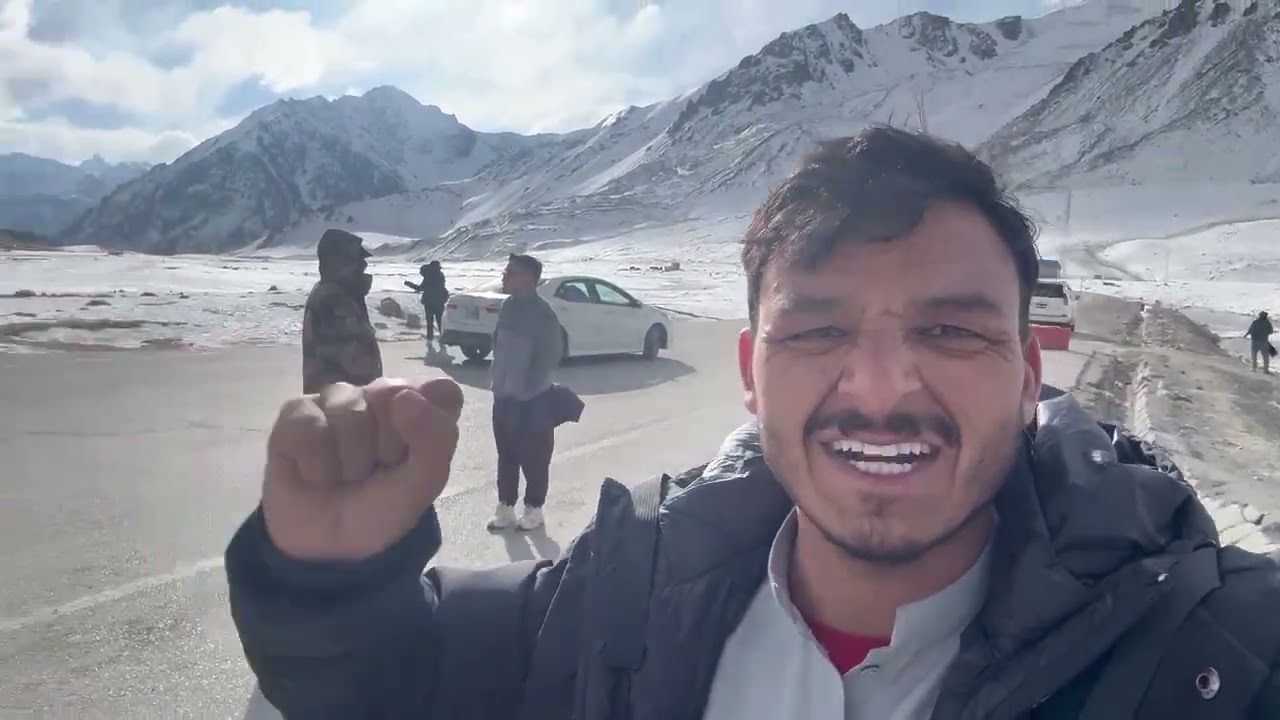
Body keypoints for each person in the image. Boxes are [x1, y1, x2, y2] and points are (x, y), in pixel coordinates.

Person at [226, 127, 1280, 719]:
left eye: (952, 333)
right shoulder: (611, 608)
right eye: (814, 331)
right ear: (748, 371)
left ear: (1024, 378)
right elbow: (376, 682)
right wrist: (327, 580)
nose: (878, 386)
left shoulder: (1209, 657)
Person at [483, 253, 564, 531]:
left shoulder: (543, 314)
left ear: (528, 279)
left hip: (532, 399)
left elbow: (551, 355)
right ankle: (505, 508)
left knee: (535, 456)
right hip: (503, 395)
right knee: (506, 454)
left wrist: (529, 387)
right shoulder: (508, 307)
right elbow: (498, 343)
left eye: (510, 272)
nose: (504, 276)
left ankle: (534, 509)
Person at [300, 228, 383, 394]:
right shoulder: (334, 300)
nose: (364, 265)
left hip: (343, 400)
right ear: (339, 263)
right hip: (341, 402)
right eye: (357, 260)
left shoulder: (342, 294)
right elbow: (352, 359)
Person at [404, 260, 450, 348]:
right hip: (439, 301)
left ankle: (430, 339)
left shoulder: (429, 276)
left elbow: (421, 288)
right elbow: (442, 288)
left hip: (428, 301)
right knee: (440, 321)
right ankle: (442, 339)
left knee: (429, 322)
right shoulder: (440, 275)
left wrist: (409, 284)